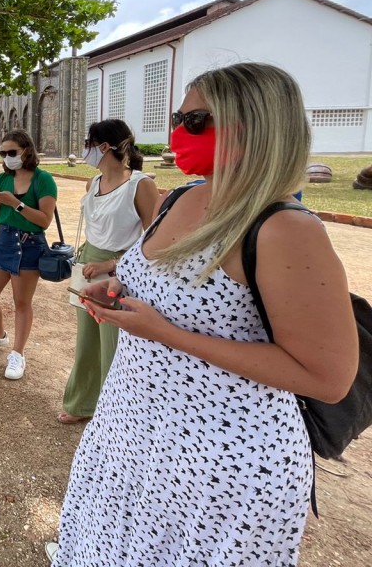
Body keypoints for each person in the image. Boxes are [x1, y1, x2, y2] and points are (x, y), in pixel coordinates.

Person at [50, 63, 357, 566]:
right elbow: (167, 286)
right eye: (178, 118)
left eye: (193, 121)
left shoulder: (285, 229)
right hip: (132, 429)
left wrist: (165, 333)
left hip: (218, 463)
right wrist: (117, 285)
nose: (176, 133)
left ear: (252, 124)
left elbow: (327, 377)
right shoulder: (185, 197)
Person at [57, 120, 158, 424]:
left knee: (114, 346)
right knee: (87, 340)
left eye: (89, 143)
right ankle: (81, 403)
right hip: (88, 265)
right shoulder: (93, 183)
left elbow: (153, 239)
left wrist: (112, 264)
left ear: (103, 147)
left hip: (120, 272)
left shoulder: (140, 184)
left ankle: (113, 415)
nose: (84, 149)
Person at [0, 129, 57, 380]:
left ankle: (18, 353)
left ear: (26, 151)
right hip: (4, 240)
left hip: (30, 244)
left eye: (12, 152)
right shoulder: (2, 178)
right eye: (3, 153)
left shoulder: (43, 180)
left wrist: (15, 203)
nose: (7, 157)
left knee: (22, 303)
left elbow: (44, 221)